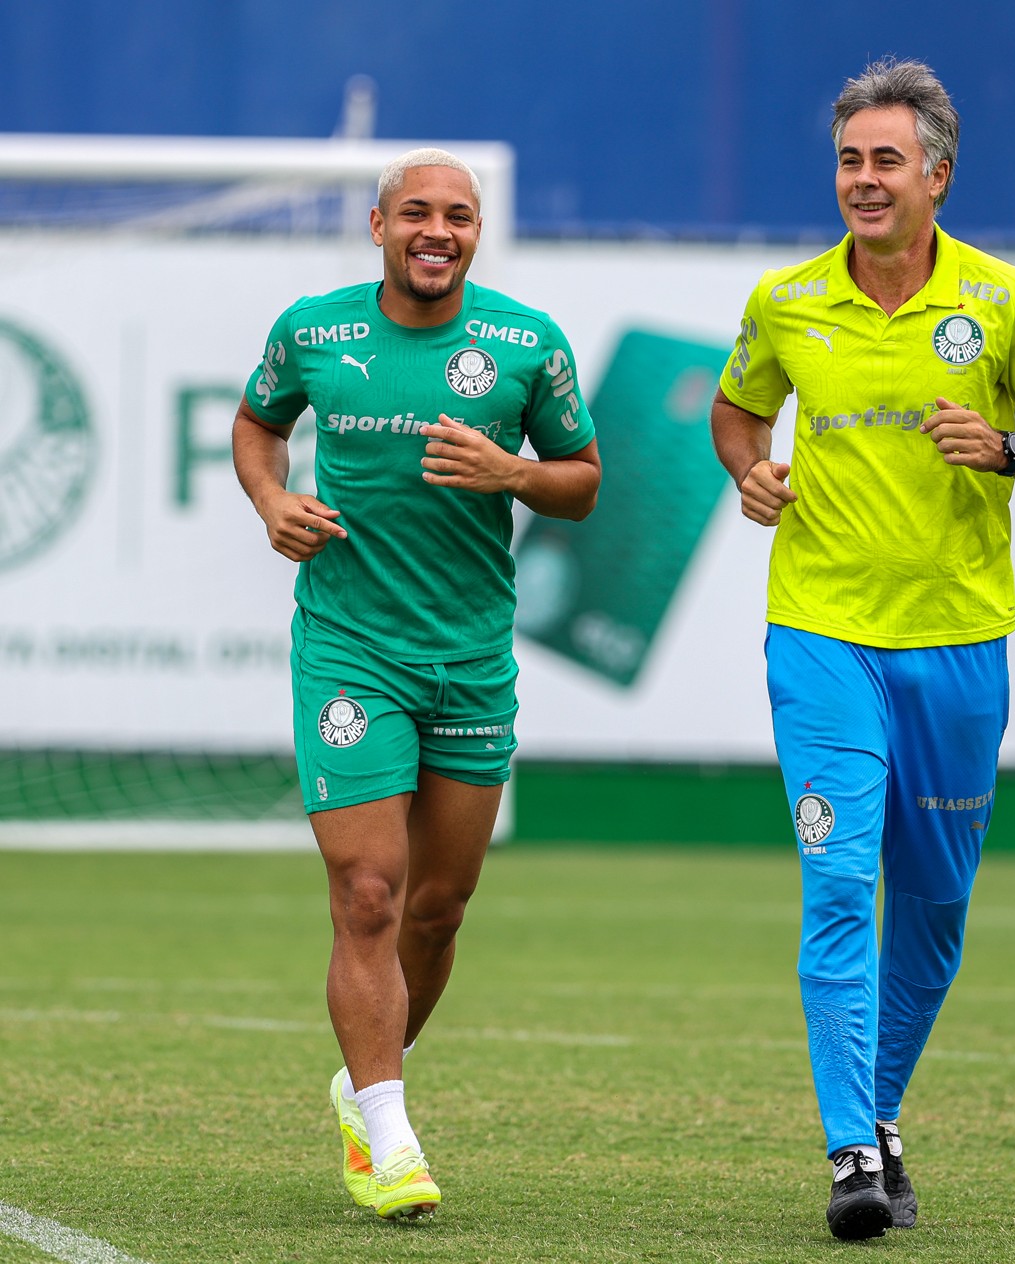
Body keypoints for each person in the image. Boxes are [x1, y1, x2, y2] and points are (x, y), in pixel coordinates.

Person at [710, 58, 1015, 1241]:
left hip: (956, 645)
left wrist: (1004, 450)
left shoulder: (1003, 303)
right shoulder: (786, 300)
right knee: (839, 884)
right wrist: (748, 469)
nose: (863, 179)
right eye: (848, 158)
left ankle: (879, 1114)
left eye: (886, 159)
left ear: (937, 173)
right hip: (821, 631)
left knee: (932, 903)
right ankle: (850, 1155)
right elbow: (738, 406)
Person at [232, 147, 601, 1220]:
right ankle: (391, 1138)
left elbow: (581, 483)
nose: (438, 232)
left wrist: (516, 473)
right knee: (368, 893)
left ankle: (363, 1085)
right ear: (378, 223)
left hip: (472, 658)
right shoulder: (315, 329)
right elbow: (259, 423)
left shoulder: (527, 343)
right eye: (417, 214)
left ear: (475, 233)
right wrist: (270, 502)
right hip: (350, 648)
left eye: (459, 217)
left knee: (436, 911)